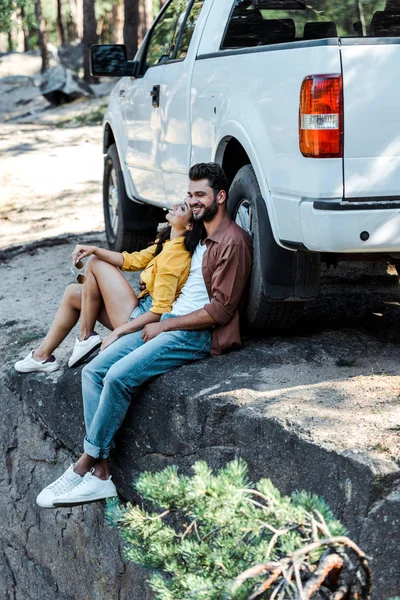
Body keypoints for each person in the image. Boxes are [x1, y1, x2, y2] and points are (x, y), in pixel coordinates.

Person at [36, 163, 253, 508]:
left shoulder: (233, 242)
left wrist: (164, 324)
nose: (193, 201)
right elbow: (156, 262)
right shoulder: (194, 233)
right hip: (165, 320)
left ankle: (84, 464)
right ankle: (102, 475)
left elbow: (221, 311)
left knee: (119, 377)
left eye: (201, 195)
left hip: (193, 332)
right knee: (93, 372)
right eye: (191, 195)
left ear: (221, 196)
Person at [15, 202, 204, 372]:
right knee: (73, 293)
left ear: (189, 226)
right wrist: (94, 248)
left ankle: (85, 336)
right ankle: (42, 356)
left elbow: (160, 310)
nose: (176, 205)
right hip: (134, 312)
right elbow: (130, 260)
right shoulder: (166, 244)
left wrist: (118, 331)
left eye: (182, 208)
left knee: (96, 263)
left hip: (140, 321)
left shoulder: (175, 255)